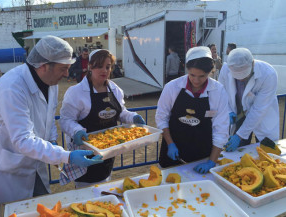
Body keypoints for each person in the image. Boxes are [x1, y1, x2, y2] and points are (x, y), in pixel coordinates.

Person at [0, 36, 103, 206]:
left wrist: (52, 141)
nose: (67, 74)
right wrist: (67, 156)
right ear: (43, 66)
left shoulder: (50, 82)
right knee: (13, 210)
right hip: (7, 168)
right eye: (63, 68)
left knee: (41, 205)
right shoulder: (12, 88)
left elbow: (48, 117)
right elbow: (22, 140)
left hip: (34, 163)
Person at [59, 49, 146, 188]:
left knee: (104, 181)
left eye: (107, 66)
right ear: (90, 67)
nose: (104, 70)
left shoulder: (114, 89)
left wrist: (133, 117)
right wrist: (76, 131)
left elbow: (120, 112)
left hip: (108, 148)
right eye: (99, 66)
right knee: (86, 190)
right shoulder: (76, 92)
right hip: (85, 151)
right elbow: (65, 120)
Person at [156, 46, 229, 174]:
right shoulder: (172, 87)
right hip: (173, 148)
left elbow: (221, 129)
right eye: (192, 75)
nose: (196, 80)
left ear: (210, 72)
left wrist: (212, 161)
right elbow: (162, 118)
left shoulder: (218, 91)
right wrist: (170, 143)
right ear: (187, 69)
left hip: (202, 154)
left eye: (202, 76)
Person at [218, 48, 279, 152]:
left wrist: (240, 135)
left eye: (244, 77)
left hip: (262, 116)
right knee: (238, 151)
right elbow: (222, 94)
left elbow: (258, 110)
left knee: (266, 151)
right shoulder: (225, 69)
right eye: (237, 77)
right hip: (238, 114)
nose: (240, 80)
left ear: (252, 64)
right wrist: (228, 110)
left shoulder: (268, 74)